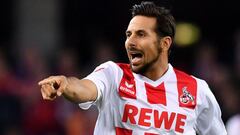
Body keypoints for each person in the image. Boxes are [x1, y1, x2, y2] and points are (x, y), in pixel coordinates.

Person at [38, 1, 227, 135]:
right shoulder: (114, 75)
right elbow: (84, 89)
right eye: (129, 35)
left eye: (141, 34)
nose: (130, 42)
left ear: (165, 43)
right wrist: (65, 84)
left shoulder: (197, 90)